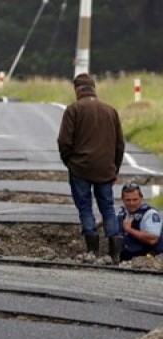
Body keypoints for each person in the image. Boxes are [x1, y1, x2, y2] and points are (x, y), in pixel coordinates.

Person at [57, 73, 125, 263]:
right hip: (105, 169)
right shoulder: (110, 111)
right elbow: (120, 144)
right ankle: (115, 252)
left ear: (77, 90)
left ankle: (92, 250)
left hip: (80, 168)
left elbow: (64, 141)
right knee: (108, 207)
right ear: (94, 88)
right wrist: (115, 169)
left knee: (85, 207)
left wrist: (69, 162)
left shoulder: (73, 110)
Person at [116, 182, 163, 261]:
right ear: (122, 200)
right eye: (128, 200)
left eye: (135, 199)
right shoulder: (123, 212)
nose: (131, 203)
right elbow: (108, 220)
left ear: (141, 198)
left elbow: (153, 239)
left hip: (147, 260)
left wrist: (129, 230)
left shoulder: (150, 214)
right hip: (126, 259)